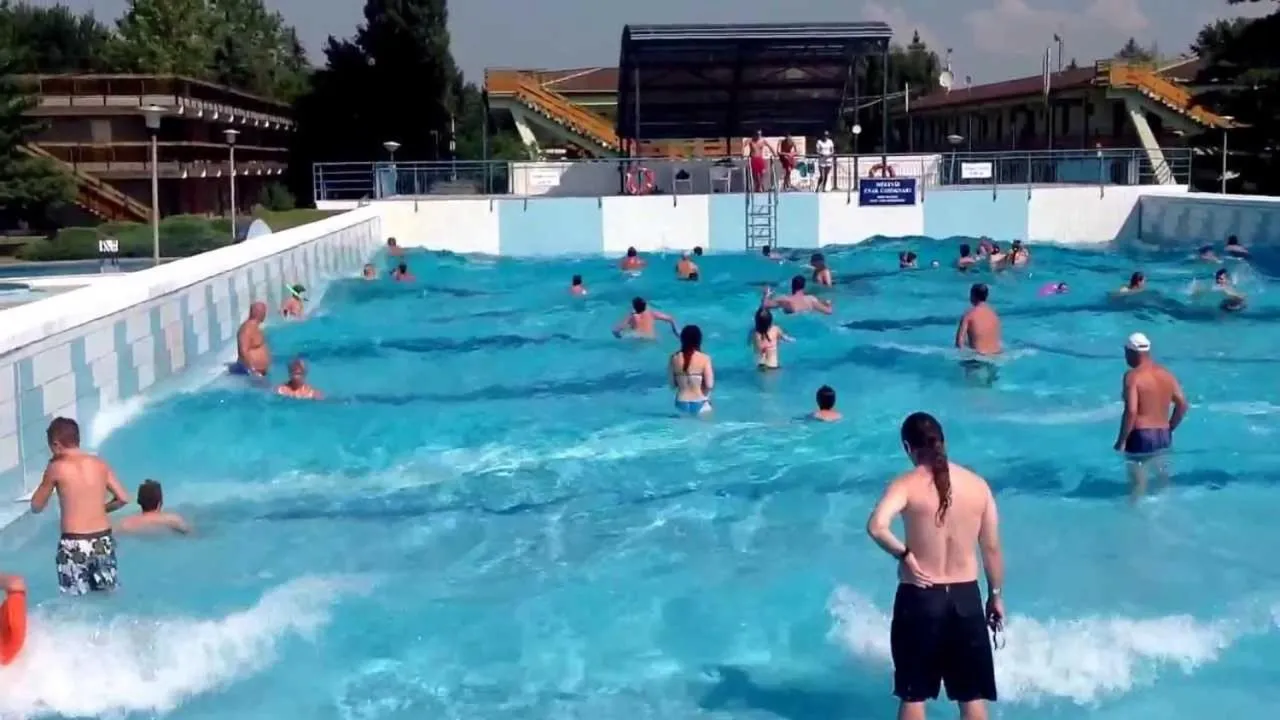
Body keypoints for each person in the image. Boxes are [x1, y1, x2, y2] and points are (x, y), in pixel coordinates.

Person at [866, 412, 1004, 720]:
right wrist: (995, 595)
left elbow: (876, 527)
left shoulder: (906, 484)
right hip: (966, 600)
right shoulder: (977, 486)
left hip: (920, 597)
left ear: (908, 447)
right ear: (943, 441)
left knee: (914, 696)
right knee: (971, 697)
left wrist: (904, 555)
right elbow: (991, 548)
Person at [30, 418, 130, 595]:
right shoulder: (100, 464)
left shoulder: (56, 468)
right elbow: (123, 498)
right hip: (102, 541)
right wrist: (101, 509)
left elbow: (36, 506)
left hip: (74, 543)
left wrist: (47, 480)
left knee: (76, 602)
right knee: (107, 595)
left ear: (56, 444)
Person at [1114, 332, 1188, 500]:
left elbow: (1131, 411)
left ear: (1131, 352)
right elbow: (1183, 404)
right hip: (1163, 435)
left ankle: (1134, 514)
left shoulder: (1132, 376)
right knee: (1162, 481)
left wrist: (1122, 440)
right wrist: (1170, 427)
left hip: (1140, 435)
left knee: (1138, 485)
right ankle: (1164, 511)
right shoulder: (1166, 374)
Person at [955, 284, 1002, 385]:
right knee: (990, 386)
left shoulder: (969, 315)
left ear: (973, 296)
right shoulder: (994, 315)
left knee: (973, 388)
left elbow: (959, 343)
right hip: (996, 357)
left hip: (978, 359)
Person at [670, 324, 714, 416]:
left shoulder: (674, 358)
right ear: (699, 340)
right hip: (700, 401)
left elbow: (672, 385)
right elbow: (709, 385)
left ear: (682, 339)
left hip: (681, 402)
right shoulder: (705, 358)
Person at [118, 480, 190, 534]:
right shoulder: (173, 520)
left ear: (139, 502)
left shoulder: (126, 524)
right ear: (160, 502)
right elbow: (190, 535)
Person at [762, 276, 833, 315]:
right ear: (804, 286)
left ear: (792, 286)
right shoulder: (811, 299)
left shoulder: (785, 299)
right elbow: (829, 311)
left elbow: (765, 305)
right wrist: (828, 304)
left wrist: (766, 294)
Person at [233, 301, 269, 377]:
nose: (265, 314)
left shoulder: (255, 327)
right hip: (252, 374)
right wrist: (253, 370)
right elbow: (243, 351)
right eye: (264, 312)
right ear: (259, 313)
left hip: (259, 372)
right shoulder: (247, 329)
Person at [613, 297, 677, 339]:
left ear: (634, 307)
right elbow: (670, 319)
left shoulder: (632, 316)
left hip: (638, 340)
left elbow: (616, 330)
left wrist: (619, 336)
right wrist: (675, 331)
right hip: (652, 339)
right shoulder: (652, 314)